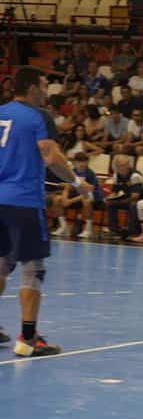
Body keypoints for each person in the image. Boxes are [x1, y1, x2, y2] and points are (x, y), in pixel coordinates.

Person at [0, 69, 92, 354]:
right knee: (33, 267)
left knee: (1, 263)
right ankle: (28, 339)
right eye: (43, 86)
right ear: (31, 88)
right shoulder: (38, 116)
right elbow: (50, 156)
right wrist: (76, 182)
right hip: (24, 201)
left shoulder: (1, 113)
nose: (46, 91)